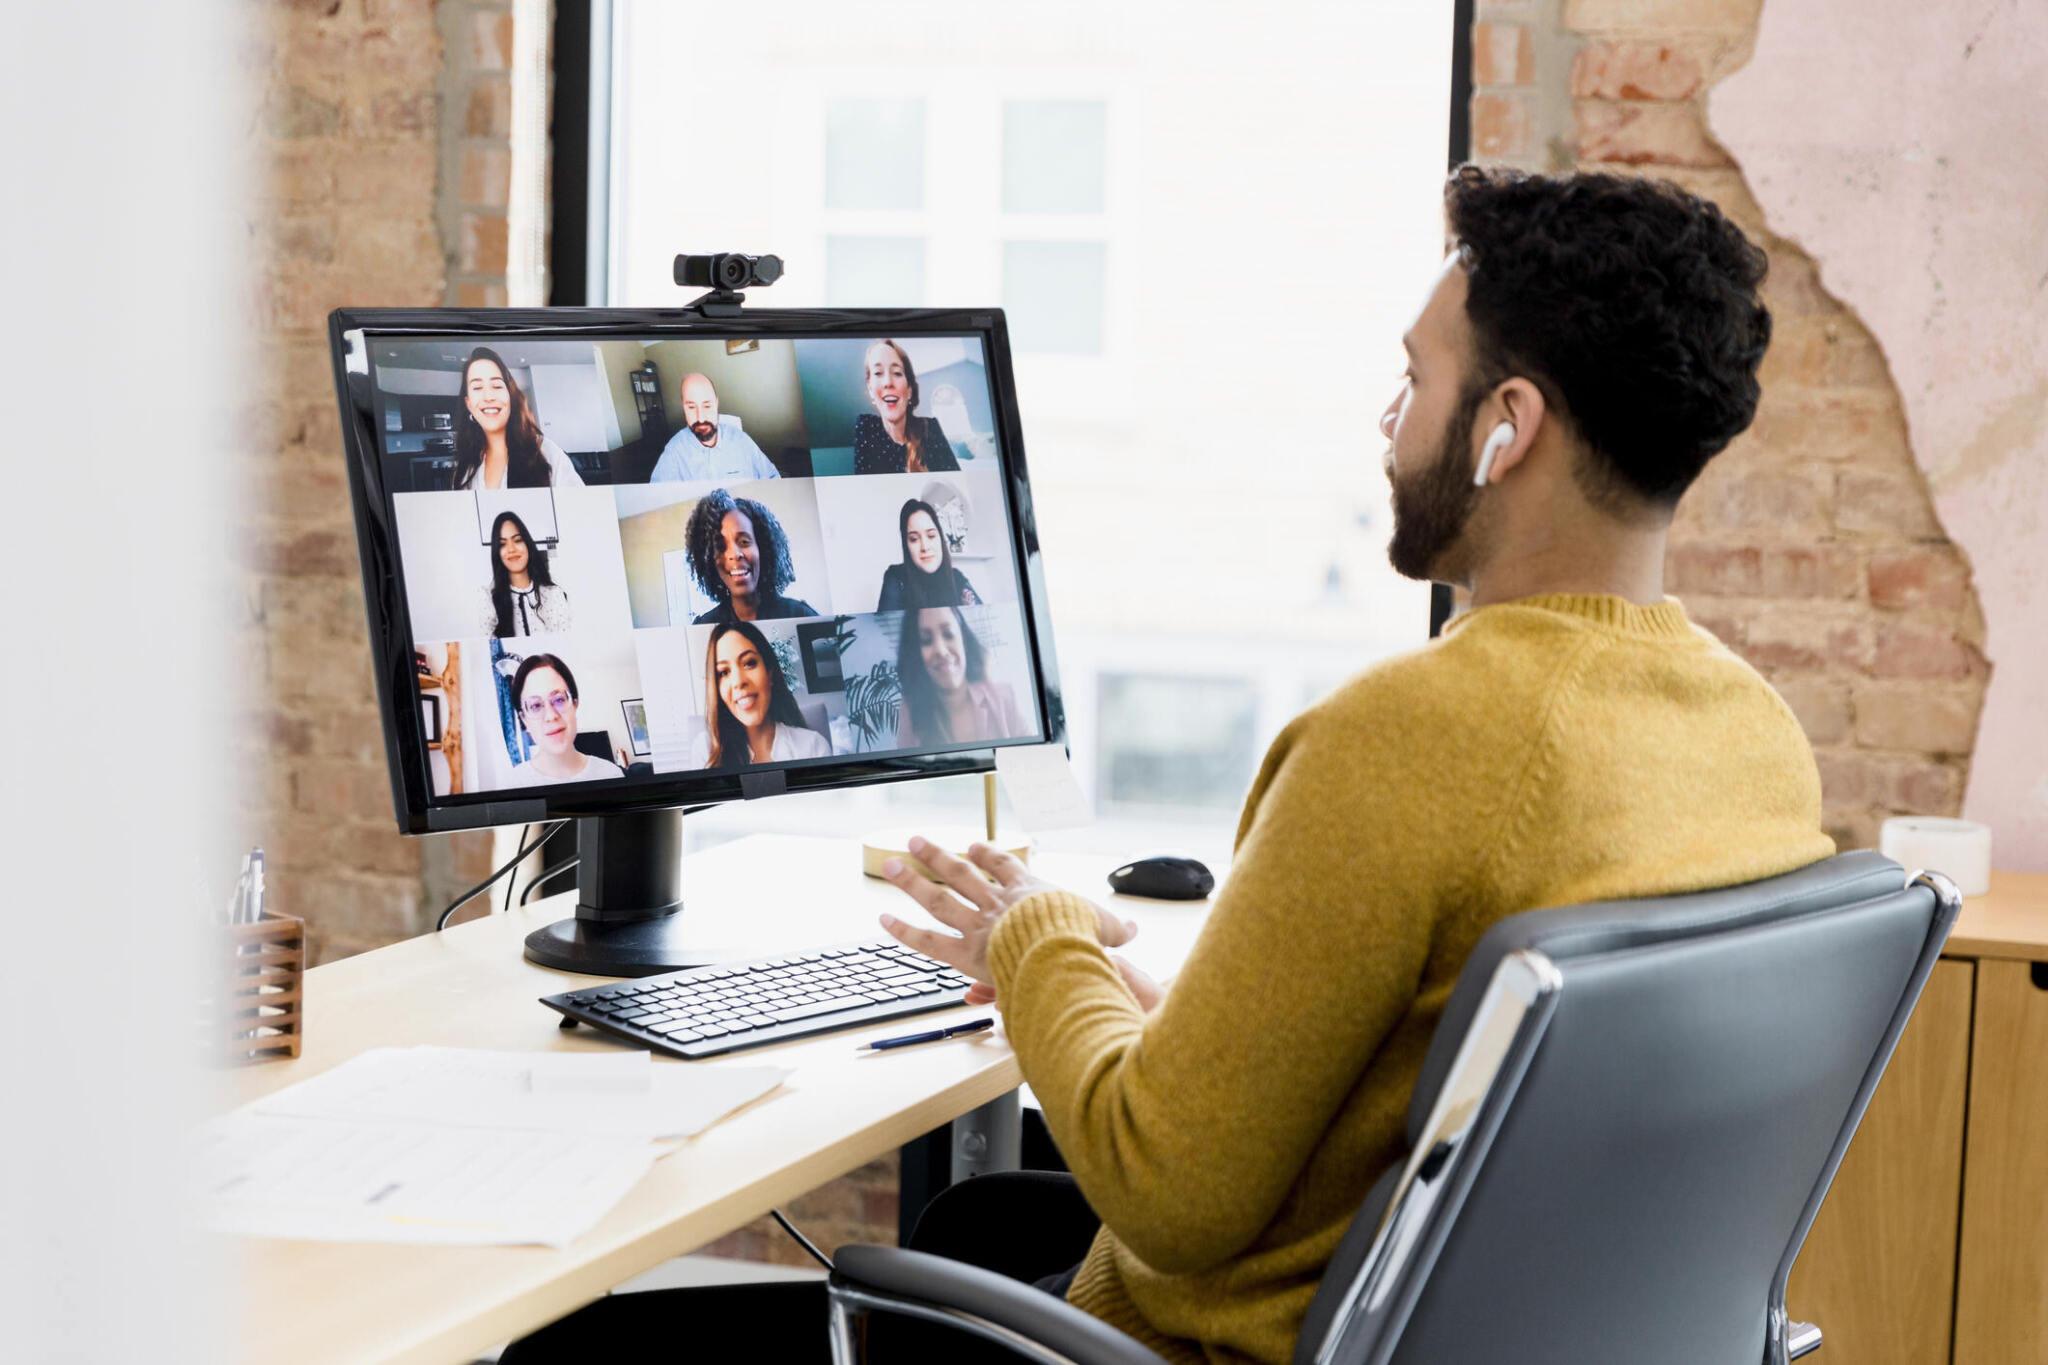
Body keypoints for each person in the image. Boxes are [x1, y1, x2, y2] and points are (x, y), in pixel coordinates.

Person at [501, 167, 1837, 1365]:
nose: (1388, 423)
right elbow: (1415, 1092)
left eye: (1415, 382)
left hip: (1200, 1348)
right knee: (976, 1214)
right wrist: (1124, 985)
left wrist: (1036, 938)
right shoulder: (1750, 737)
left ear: (1508, 426)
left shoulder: (1403, 739)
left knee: (574, 1350)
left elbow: (1169, 1191)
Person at [686, 620, 831, 768]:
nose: (738, 682)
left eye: (749, 663)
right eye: (723, 672)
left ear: (770, 673)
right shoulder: (705, 751)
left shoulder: (814, 747)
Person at [448, 347, 584, 491]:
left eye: (496, 386)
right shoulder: (464, 469)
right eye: (477, 387)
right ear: (468, 404)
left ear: (510, 396)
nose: (488, 397)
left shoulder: (546, 452)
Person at [683, 487, 820, 624]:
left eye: (744, 542)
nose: (735, 554)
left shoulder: (800, 616)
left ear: (762, 548)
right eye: (721, 547)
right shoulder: (704, 626)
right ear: (709, 562)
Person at [895, 607, 1023, 747]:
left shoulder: (1004, 698)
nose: (941, 651)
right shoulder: (910, 713)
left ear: (964, 640)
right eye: (926, 640)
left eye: (948, 634)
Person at [648, 371, 783, 483]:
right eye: (691, 407)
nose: (700, 418)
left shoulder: (742, 441)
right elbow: (656, 498)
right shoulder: (674, 452)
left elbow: (773, 479)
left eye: (707, 406)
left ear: (717, 404)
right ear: (683, 407)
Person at [509, 652, 622, 785]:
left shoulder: (610, 774)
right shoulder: (512, 784)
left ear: (575, 703)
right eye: (536, 705)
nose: (551, 716)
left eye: (559, 699)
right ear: (524, 719)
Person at [851, 339, 960, 474]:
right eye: (878, 373)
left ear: (909, 390)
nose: (888, 382)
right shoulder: (866, 426)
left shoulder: (931, 428)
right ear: (870, 390)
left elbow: (954, 485)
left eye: (897, 373)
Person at [875, 498, 983, 611]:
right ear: (906, 545)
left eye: (931, 536)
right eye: (914, 539)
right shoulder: (896, 577)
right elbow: (886, 624)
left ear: (940, 538)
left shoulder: (957, 577)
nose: (925, 547)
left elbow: (983, 619)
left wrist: (970, 611)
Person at [479, 510, 571, 637]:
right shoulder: (488, 599)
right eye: (502, 544)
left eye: (517, 540)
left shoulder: (554, 595)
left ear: (527, 544)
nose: (511, 549)